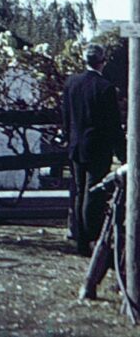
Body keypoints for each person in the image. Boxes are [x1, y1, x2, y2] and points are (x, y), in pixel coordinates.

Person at [62, 42, 126, 256]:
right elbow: (113, 125)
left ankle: (80, 238)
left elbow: (66, 116)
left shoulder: (71, 83)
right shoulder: (105, 88)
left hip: (76, 144)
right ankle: (91, 237)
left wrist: (68, 138)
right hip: (97, 147)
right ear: (103, 62)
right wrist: (123, 153)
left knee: (79, 192)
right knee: (93, 193)